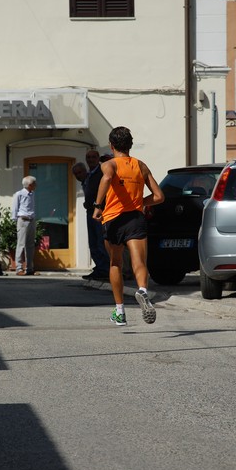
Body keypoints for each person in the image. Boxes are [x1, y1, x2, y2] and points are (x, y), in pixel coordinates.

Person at [93, 126, 164, 326]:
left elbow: (107, 179)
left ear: (111, 145)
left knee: (116, 263)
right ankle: (142, 290)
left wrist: (98, 206)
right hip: (135, 218)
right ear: (130, 145)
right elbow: (159, 196)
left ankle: (120, 312)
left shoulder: (109, 165)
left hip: (113, 219)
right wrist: (142, 202)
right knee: (139, 262)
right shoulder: (141, 166)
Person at [73, 150, 110, 281]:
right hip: (90, 212)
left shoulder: (101, 172)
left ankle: (104, 269)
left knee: (100, 241)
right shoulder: (89, 175)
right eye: (88, 157)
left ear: (98, 158)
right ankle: (100, 267)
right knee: (93, 242)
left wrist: (97, 205)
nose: (91, 159)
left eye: (93, 157)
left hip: (99, 212)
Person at [11, 176, 37, 276]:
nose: (36, 185)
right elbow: (15, 207)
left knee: (30, 245)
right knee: (21, 244)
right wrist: (15, 220)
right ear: (30, 185)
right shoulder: (19, 194)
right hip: (23, 220)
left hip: (31, 220)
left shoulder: (32, 193)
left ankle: (30, 268)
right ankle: (19, 268)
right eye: (34, 183)